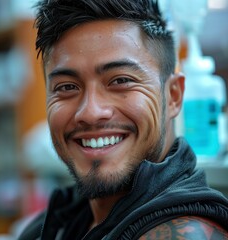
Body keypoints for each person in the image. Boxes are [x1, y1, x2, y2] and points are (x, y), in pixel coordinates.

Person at [18, 0, 228, 239]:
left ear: (173, 96)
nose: (90, 112)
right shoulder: (61, 221)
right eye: (67, 86)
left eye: (120, 81)